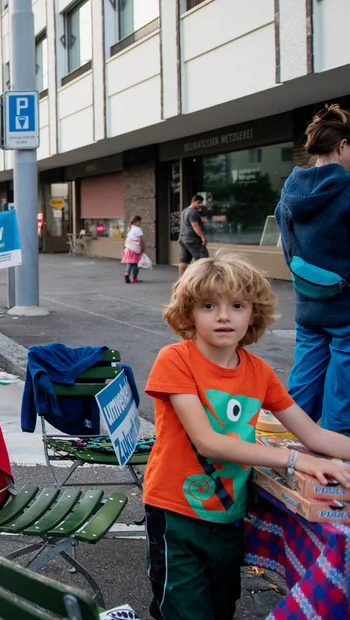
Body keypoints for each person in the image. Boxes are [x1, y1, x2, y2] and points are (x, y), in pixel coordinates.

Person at [144, 254, 350, 620]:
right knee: (182, 611)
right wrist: (296, 459)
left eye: (237, 305)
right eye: (209, 305)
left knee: (222, 608)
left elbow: (313, 433)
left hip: (229, 514)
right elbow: (207, 441)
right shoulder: (175, 360)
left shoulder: (258, 371)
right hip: (176, 512)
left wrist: (317, 452)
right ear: (189, 313)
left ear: (253, 313)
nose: (224, 316)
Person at [275, 103, 350, 432]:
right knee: (342, 394)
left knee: (302, 390)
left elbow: (288, 250)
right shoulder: (346, 191)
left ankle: (285, 454)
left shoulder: (288, 193)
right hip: (346, 307)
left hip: (308, 304)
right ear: (342, 146)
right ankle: (337, 463)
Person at [178, 195, 208, 277]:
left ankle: (182, 280)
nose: (200, 205)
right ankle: (202, 280)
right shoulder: (193, 212)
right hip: (192, 238)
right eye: (199, 203)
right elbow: (195, 225)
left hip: (183, 237)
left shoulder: (185, 211)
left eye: (201, 203)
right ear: (194, 201)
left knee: (183, 260)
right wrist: (203, 237)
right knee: (203, 260)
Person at [122, 215, 145, 283]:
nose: (140, 223)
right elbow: (140, 240)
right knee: (136, 264)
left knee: (130, 262)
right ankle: (134, 278)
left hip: (129, 248)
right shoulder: (138, 229)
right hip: (136, 249)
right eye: (139, 222)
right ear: (136, 222)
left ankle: (127, 273)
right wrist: (143, 247)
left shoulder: (129, 228)